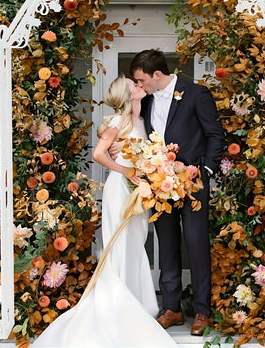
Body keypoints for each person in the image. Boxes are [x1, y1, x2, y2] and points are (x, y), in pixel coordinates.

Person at [31, 75, 177, 347]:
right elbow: (99, 154)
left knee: (136, 243)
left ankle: (138, 300)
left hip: (137, 191)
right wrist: (127, 171)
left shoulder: (143, 122)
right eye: (134, 84)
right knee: (119, 245)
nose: (139, 85)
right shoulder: (117, 121)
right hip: (119, 190)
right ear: (128, 94)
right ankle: (119, 305)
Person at [130, 49, 225, 336]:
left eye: (141, 80)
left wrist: (204, 170)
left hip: (193, 181)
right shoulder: (145, 101)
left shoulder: (196, 94)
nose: (139, 85)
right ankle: (171, 308)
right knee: (166, 245)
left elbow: (215, 135)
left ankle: (201, 311)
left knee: (195, 245)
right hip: (159, 185)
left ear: (156, 75)